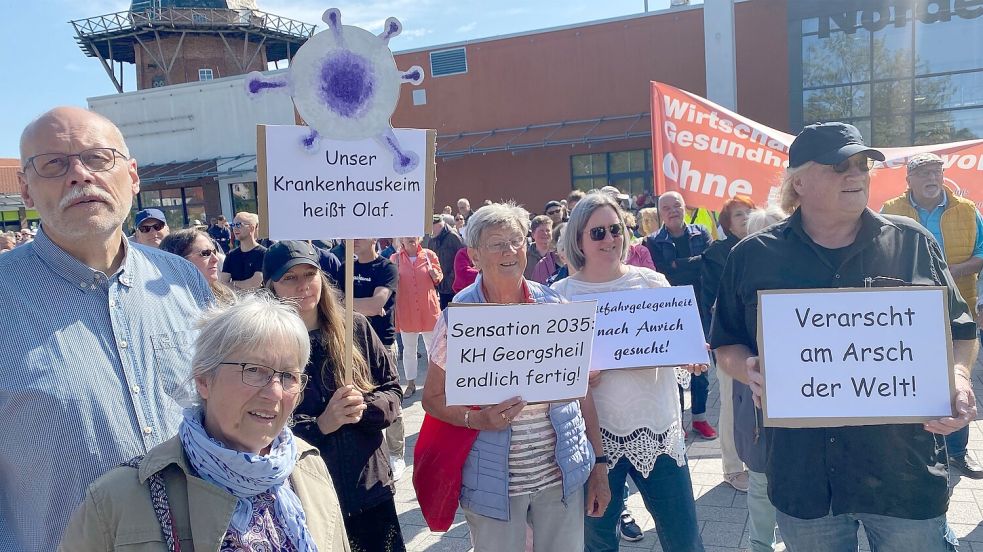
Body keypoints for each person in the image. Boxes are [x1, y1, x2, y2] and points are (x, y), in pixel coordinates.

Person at [712, 122, 977, 551]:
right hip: (805, 482)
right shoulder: (753, 256)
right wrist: (747, 370)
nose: (855, 175)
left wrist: (960, 378)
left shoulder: (912, 243)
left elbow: (962, 331)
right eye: (839, 166)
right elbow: (725, 342)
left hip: (903, 477)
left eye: (862, 165)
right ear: (798, 181)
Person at [2, 106, 212, 551]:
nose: (79, 175)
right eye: (54, 164)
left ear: (132, 176)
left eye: (98, 158)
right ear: (25, 189)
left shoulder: (183, 280)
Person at [60, 294, 350, 551]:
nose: (275, 392)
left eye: (288, 376)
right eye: (254, 370)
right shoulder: (119, 499)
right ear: (203, 380)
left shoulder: (307, 467)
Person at [421, 202, 610, 552]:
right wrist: (476, 418)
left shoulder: (555, 308)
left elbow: (582, 392)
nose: (510, 251)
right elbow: (431, 399)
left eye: (516, 240)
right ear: (474, 256)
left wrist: (599, 464)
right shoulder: (459, 319)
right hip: (493, 483)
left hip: (560, 476)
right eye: (497, 244)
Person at [552, 192, 705, 552]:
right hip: (593, 441)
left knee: (684, 540)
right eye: (598, 233)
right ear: (578, 239)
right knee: (599, 543)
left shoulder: (651, 283)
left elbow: (678, 347)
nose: (610, 239)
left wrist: (690, 357)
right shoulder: (560, 297)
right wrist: (575, 378)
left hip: (657, 430)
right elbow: (553, 378)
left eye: (615, 230)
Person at [264, 241, 404, 551]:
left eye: (310, 274)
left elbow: (393, 390)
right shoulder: (264, 346)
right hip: (307, 493)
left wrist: (364, 409)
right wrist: (321, 425)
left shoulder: (354, 326)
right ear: (271, 285)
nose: (303, 285)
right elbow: (259, 426)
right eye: (290, 278)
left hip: (370, 486)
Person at [881, 152, 983, 479]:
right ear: (908, 179)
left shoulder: (967, 210)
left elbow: (982, 252)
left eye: (936, 171)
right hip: (904, 312)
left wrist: (952, 272)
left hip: (958, 308)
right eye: (923, 172)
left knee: (957, 380)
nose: (931, 178)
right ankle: (908, 449)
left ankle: (957, 452)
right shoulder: (891, 210)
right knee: (907, 378)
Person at [647, 191, 716, 439]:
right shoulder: (653, 241)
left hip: (701, 307)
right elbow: (663, 273)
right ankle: (679, 420)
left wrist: (679, 264)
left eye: (677, 205)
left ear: (685, 207)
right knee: (674, 367)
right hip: (671, 312)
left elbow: (709, 262)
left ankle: (700, 418)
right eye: (666, 208)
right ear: (660, 213)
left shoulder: (701, 233)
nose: (673, 211)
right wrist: (688, 265)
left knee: (701, 367)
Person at [700, 195, 755, 493]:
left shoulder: (765, 246)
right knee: (732, 404)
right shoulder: (717, 254)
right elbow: (710, 300)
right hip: (730, 340)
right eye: (738, 215)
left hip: (759, 338)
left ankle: (756, 461)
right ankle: (732, 468)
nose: (745, 218)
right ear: (726, 223)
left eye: (749, 212)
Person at [342, 238, 407, 479]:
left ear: (374, 237)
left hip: (382, 344)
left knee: (390, 400)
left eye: (360, 235)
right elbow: (334, 303)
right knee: (357, 398)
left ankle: (396, 454)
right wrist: (364, 305)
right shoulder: (345, 267)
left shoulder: (386, 268)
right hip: (350, 343)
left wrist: (353, 304)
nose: (354, 240)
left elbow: (376, 304)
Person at [392, 236, 442, 397]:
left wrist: (436, 275)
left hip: (428, 310)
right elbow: (390, 282)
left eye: (414, 235)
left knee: (433, 349)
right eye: (407, 236)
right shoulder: (395, 259)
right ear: (402, 240)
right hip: (407, 310)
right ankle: (411, 383)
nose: (411, 238)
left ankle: (435, 384)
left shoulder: (429, 255)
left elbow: (439, 278)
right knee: (409, 350)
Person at [160, 228, 236, 305]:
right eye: (206, 253)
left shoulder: (227, 296)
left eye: (214, 252)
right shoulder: (166, 305)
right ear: (178, 262)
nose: (215, 259)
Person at [426, 213, 465, 309]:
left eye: (431, 227)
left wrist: (450, 280)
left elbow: (463, 259)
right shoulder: (432, 240)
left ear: (439, 225)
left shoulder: (453, 237)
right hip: (440, 286)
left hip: (454, 287)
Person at [221, 211, 266, 291]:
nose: (234, 228)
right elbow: (223, 285)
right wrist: (243, 286)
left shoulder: (263, 253)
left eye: (238, 225)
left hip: (258, 302)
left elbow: (255, 284)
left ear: (251, 228)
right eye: (233, 225)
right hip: (237, 302)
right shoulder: (231, 256)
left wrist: (233, 283)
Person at [524, 215, 553, 280]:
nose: (545, 233)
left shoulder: (558, 254)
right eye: (541, 231)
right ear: (533, 234)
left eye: (548, 230)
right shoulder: (525, 255)